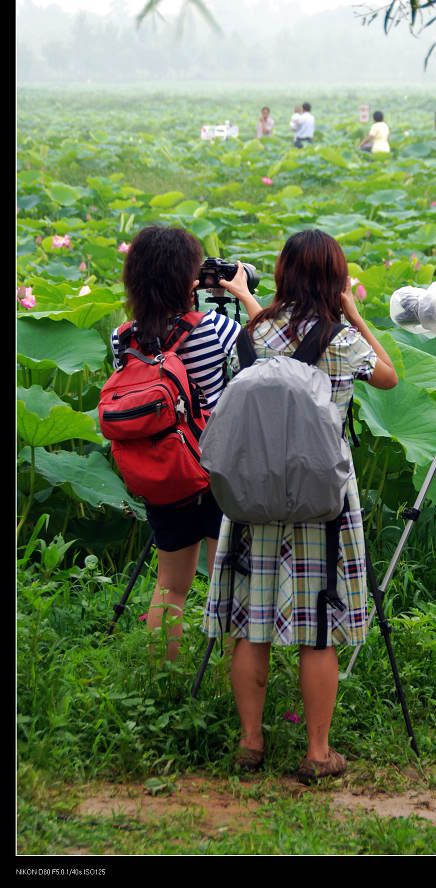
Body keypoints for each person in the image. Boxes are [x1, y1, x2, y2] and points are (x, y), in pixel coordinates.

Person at [203, 229, 397, 781]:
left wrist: (248, 302)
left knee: (250, 619)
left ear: (284, 273)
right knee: (318, 625)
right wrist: (355, 315)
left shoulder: (252, 333)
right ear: (336, 280)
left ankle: (250, 742)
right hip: (323, 500)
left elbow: (253, 374)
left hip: (254, 495)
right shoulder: (341, 338)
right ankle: (317, 752)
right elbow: (388, 376)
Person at [111, 226, 261, 661]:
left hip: (165, 470)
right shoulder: (216, 328)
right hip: (215, 468)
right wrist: (244, 293)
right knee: (227, 586)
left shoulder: (122, 338)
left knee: (170, 586)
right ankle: (222, 687)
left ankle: (164, 683)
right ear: (188, 279)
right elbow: (268, 348)